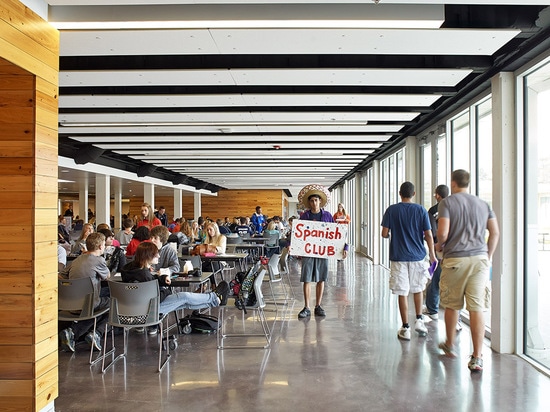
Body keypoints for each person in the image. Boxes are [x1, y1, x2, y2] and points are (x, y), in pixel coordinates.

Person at [436, 170, 500, 371]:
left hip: (456, 259)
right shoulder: (483, 204)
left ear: (453, 184)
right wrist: (487, 255)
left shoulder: (447, 203)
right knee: (476, 306)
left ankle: (449, 344)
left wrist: (439, 245)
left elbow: (443, 233)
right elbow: (495, 232)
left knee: (452, 304)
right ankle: (477, 356)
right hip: (480, 260)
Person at [120, 242, 229, 326]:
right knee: (184, 296)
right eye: (156, 254)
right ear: (148, 256)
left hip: (130, 310)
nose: (158, 256)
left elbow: (147, 282)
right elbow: (157, 296)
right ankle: (214, 296)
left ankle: (216, 300)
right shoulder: (145, 275)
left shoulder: (129, 270)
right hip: (149, 311)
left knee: (184, 302)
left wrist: (161, 279)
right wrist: (167, 289)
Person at [381, 181, 437, 341]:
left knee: (402, 292)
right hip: (418, 257)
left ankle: (405, 328)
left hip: (398, 257)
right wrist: (432, 255)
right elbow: (428, 234)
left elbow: (384, 233)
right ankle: (419, 320)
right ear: (413, 194)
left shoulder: (391, 210)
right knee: (418, 289)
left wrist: (391, 234)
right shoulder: (420, 210)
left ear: (400, 193)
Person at [296, 184, 348, 319]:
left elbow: (336, 234)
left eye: (316, 200)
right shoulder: (304, 216)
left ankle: (318, 305)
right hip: (308, 252)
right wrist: (293, 246)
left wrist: (345, 247)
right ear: (309, 202)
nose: (314, 203)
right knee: (306, 279)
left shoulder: (328, 216)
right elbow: (298, 234)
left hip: (322, 252)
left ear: (320, 202)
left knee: (321, 278)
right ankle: (306, 307)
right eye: (312, 200)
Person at [59, 232, 110, 352]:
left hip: (69, 305)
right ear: (100, 247)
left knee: (98, 304)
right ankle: (96, 333)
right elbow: (107, 276)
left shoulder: (76, 260)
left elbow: (61, 276)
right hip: (89, 305)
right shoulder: (99, 261)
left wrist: (73, 284)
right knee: (113, 302)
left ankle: (72, 332)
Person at [423, 185, 449, 321]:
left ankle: (432, 309)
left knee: (436, 280)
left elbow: (432, 232)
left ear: (437, 195)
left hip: (439, 250)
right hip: (456, 251)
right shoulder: (455, 207)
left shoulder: (433, 210)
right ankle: (457, 320)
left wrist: (434, 249)